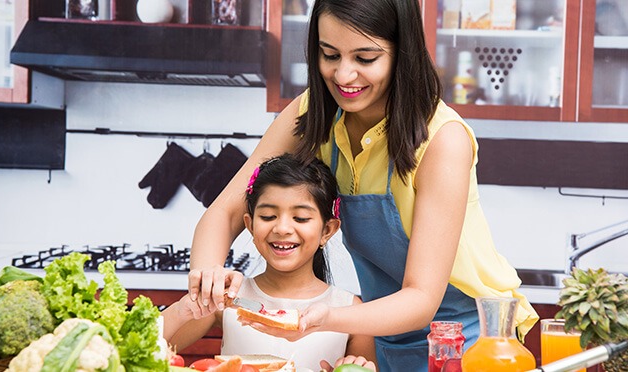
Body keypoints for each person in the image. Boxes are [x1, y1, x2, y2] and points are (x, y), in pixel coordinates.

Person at [187, 0, 539, 369]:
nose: (343, 75)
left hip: (468, 339)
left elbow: (421, 299)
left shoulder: (443, 140)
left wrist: (322, 316)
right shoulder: (313, 114)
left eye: (365, 59)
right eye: (329, 54)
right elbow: (225, 211)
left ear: (401, 54)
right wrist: (208, 276)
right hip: (386, 330)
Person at [162, 154, 376, 371]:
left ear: (327, 230)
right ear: (250, 225)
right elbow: (150, 344)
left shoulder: (348, 308)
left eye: (300, 218)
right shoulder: (229, 299)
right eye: (267, 216)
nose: (282, 228)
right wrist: (187, 306)